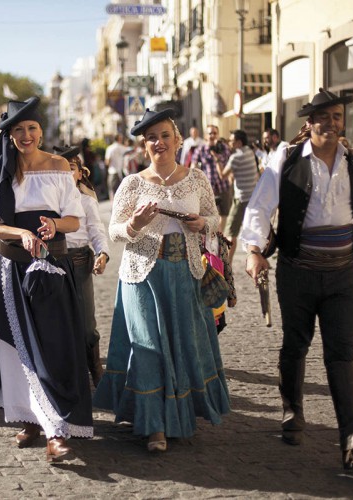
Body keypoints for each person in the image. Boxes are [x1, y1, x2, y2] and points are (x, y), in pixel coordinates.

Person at [240, 88, 353, 470]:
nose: (330, 123)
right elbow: (259, 206)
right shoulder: (287, 159)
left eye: (337, 117)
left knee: (342, 354)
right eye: (322, 117)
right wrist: (255, 251)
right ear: (309, 124)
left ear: (344, 122)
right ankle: (292, 410)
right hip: (297, 272)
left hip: (341, 276)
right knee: (295, 345)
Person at [0, 97, 93, 462]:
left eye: (31, 128)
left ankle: (57, 428)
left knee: (54, 346)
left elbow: (74, 219)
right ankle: (32, 420)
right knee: (16, 349)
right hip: (11, 269)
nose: (26, 135)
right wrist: (21, 233)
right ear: (10, 134)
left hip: (52, 268)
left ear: (41, 130)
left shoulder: (59, 165)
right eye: (18, 129)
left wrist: (53, 225)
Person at [93, 108, 230, 453]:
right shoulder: (133, 184)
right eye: (152, 137)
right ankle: (153, 425)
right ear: (143, 146)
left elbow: (215, 219)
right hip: (142, 276)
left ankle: (179, 418)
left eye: (165, 135)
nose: (159, 143)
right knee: (148, 350)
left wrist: (202, 224)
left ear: (177, 139)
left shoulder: (196, 179)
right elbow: (114, 231)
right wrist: (135, 224)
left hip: (185, 273)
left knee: (183, 347)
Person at [54, 144, 110, 387]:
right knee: (56, 322)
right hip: (53, 263)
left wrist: (103, 253)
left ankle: (95, 368)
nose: (67, 173)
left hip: (79, 263)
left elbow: (97, 230)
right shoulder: (47, 199)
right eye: (61, 168)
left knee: (87, 325)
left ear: (80, 172)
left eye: (72, 168)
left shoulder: (86, 200)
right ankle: (65, 375)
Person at [221, 129, 259, 264]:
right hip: (252, 197)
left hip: (241, 199)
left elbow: (223, 175)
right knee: (251, 232)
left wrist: (217, 159)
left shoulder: (235, 157)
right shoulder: (249, 151)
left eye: (231, 141)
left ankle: (228, 264)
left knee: (230, 233)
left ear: (238, 142)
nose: (229, 143)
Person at [191, 124, 232, 232]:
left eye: (215, 133)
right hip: (208, 189)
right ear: (205, 136)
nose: (212, 135)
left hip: (223, 187)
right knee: (209, 214)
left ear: (218, 135)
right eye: (210, 133)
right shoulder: (200, 150)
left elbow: (230, 164)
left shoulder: (224, 148)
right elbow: (193, 168)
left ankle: (220, 235)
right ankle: (213, 236)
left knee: (224, 214)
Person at [105, 134, 129, 199]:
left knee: (112, 189)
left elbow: (107, 161)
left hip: (113, 171)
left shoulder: (110, 148)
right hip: (122, 171)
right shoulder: (123, 148)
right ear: (119, 139)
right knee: (123, 190)